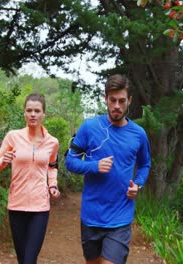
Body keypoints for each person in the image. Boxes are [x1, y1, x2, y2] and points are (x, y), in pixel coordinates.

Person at [65, 74, 151, 264]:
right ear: (105, 98)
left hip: (120, 217)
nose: (117, 106)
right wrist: (94, 166)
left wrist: (138, 184)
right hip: (91, 215)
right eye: (112, 100)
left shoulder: (138, 134)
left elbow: (145, 164)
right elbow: (70, 162)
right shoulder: (89, 127)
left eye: (122, 101)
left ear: (129, 101)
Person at [0, 93, 60, 264]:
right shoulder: (13, 137)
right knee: (23, 259)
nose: (33, 114)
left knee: (29, 259)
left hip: (40, 207)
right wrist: (3, 161)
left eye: (37, 111)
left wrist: (53, 185)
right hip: (17, 205)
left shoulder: (52, 142)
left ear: (44, 114)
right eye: (29, 110)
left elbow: (52, 166)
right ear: (24, 113)